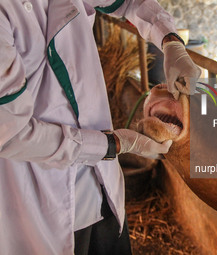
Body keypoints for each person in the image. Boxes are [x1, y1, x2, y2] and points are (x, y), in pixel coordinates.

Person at [0, 0, 201, 254]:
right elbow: (11, 133)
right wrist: (112, 144)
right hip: (44, 198)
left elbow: (129, 2)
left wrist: (170, 41)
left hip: (104, 185)